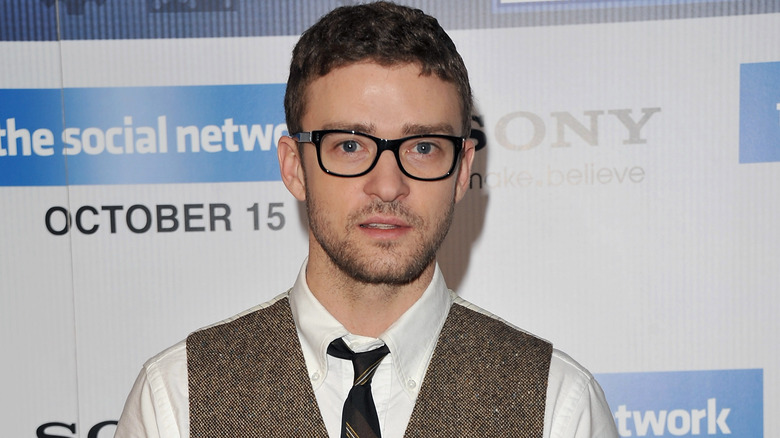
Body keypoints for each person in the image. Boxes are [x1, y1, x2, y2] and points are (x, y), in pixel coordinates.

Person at [115, 2, 619, 437]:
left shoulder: (557, 404)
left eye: (423, 147)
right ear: (295, 167)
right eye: (351, 146)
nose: (387, 185)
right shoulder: (176, 399)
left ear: (463, 170)